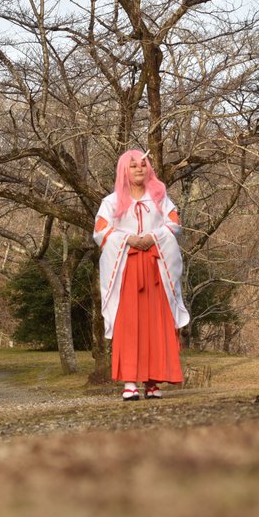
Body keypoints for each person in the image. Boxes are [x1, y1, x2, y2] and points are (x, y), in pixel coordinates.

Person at [93, 149, 190, 401]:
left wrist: (153, 237)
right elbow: (101, 231)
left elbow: (174, 223)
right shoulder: (111, 202)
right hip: (126, 269)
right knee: (129, 324)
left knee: (156, 323)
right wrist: (129, 239)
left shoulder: (159, 198)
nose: (139, 169)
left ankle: (153, 382)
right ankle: (130, 383)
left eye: (143, 165)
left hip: (157, 268)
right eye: (133, 165)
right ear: (124, 170)